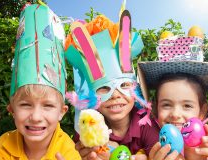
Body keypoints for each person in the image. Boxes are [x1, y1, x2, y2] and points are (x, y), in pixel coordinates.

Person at [0, 2, 81, 160]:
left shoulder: (68, 152)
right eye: (25, 104)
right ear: (12, 110)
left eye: (48, 105)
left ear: (62, 112)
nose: (36, 117)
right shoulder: (3, 146)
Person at [64, 10, 159, 160]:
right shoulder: (87, 127)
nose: (115, 95)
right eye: (104, 88)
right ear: (92, 95)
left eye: (124, 85)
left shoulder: (146, 126)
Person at [137, 30, 208, 159]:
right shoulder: (146, 153)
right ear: (154, 109)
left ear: (203, 111)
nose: (175, 114)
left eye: (187, 105)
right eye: (166, 105)